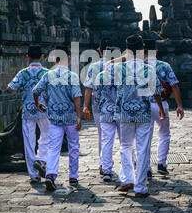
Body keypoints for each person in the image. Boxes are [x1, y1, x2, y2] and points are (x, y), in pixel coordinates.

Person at [113, 34, 166, 198]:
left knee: (125, 146)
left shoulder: (119, 68)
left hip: (125, 112)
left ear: (127, 50)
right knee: (143, 149)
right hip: (143, 111)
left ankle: (127, 178)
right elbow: (156, 91)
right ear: (142, 49)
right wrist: (161, 109)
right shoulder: (148, 69)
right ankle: (141, 187)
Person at [33, 46, 82, 191]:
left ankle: (50, 175)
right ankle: (73, 176)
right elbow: (76, 97)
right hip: (70, 117)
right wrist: (79, 116)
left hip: (54, 117)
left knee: (54, 148)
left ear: (55, 60)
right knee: (73, 146)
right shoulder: (72, 76)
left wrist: (37, 103)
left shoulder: (48, 75)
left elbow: (35, 91)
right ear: (68, 59)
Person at [7, 45, 50, 184]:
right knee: (46, 136)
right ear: (42, 57)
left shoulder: (22, 73)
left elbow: (9, 88)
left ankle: (33, 174)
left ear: (28, 57)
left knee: (29, 142)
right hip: (43, 110)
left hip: (28, 110)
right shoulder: (46, 73)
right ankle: (41, 159)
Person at [143, 39, 185, 176]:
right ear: (156, 51)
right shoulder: (164, 66)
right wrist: (179, 105)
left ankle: (146, 167)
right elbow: (174, 85)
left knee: (145, 137)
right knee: (164, 134)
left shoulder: (139, 66)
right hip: (162, 103)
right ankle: (161, 163)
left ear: (142, 52)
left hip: (144, 106)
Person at [83, 38, 113, 175]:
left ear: (99, 51)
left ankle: (103, 164)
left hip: (98, 105)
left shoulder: (94, 67)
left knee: (103, 136)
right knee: (126, 139)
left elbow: (88, 88)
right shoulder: (120, 66)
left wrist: (85, 106)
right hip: (117, 106)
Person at [92, 61, 122, 182]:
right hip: (120, 111)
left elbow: (96, 94)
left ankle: (106, 170)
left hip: (105, 111)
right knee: (125, 142)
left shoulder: (100, 76)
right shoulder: (122, 75)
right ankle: (127, 168)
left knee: (106, 141)